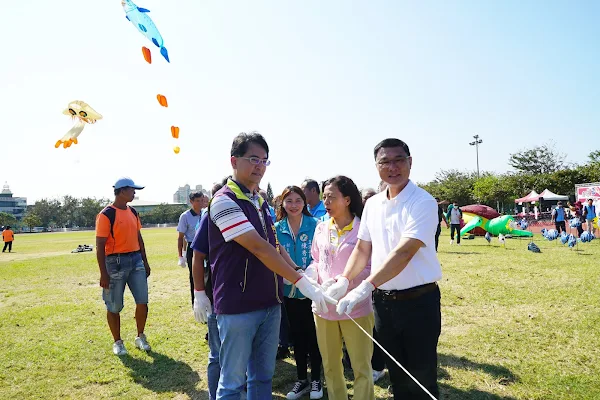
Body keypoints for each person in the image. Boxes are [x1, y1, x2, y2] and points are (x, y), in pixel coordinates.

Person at [207, 132, 334, 400]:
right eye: (253, 159)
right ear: (233, 160)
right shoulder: (224, 200)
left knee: (262, 377)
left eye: (265, 160)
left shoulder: (261, 202)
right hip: (238, 304)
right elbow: (258, 247)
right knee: (232, 383)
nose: (259, 166)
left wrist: (300, 274)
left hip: (270, 302)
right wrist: (300, 283)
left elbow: (274, 245)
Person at [336, 138, 442, 399]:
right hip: (383, 304)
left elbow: (404, 252)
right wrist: (344, 279)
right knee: (396, 376)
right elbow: (362, 249)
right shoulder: (372, 205)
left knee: (421, 376)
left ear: (410, 162)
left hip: (419, 301)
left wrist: (365, 285)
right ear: (376, 166)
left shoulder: (423, 202)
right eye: (385, 161)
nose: (392, 167)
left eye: (399, 160)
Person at [310, 175, 375, 400]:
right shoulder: (321, 228)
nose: (326, 202)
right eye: (324, 197)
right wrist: (314, 277)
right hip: (324, 308)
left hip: (355, 307)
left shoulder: (363, 230)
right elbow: (317, 260)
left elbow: (370, 267)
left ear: (347, 200)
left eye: (331, 197)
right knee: (330, 365)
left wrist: (346, 282)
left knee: (360, 366)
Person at [274, 186, 323, 399]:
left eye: (298, 200)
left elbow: (320, 256)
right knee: (297, 338)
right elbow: (274, 255)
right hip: (289, 293)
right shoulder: (276, 227)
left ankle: (316, 381)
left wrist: (309, 276)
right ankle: (302, 379)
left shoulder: (316, 226)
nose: (294, 205)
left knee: (314, 337)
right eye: (289, 201)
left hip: (312, 291)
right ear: (282, 204)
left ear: (305, 202)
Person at [95, 177, 152, 356]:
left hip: (136, 260)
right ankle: (118, 342)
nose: (134, 193)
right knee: (114, 305)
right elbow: (100, 245)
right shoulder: (106, 214)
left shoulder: (133, 212)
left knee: (143, 301)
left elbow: (138, 237)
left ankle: (140, 336)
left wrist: (145, 261)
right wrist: (103, 273)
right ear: (121, 191)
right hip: (114, 263)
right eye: (132, 190)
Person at [190, 177, 232, 400]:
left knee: (236, 354)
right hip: (217, 294)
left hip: (241, 297)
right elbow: (198, 256)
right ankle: (215, 395)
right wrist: (199, 293)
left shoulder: (251, 209)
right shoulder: (210, 216)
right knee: (217, 354)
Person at [177, 191, 207, 305]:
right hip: (193, 248)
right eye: (197, 201)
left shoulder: (205, 213)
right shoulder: (185, 216)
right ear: (191, 202)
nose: (200, 203)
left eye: (202, 200)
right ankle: (196, 304)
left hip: (206, 247)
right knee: (195, 276)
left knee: (207, 274)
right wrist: (181, 256)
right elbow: (180, 237)